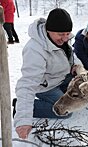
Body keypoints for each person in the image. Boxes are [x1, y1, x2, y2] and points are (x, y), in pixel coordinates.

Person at [14, 8, 77, 140]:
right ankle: (22, 106)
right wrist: (23, 119)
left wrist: (76, 65)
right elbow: (27, 84)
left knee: (78, 89)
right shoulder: (35, 50)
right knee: (66, 111)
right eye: (61, 34)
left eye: (67, 33)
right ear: (49, 30)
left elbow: (71, 55)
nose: (65, 38)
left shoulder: (62, 39)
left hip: (61, 77)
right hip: (46, 87)